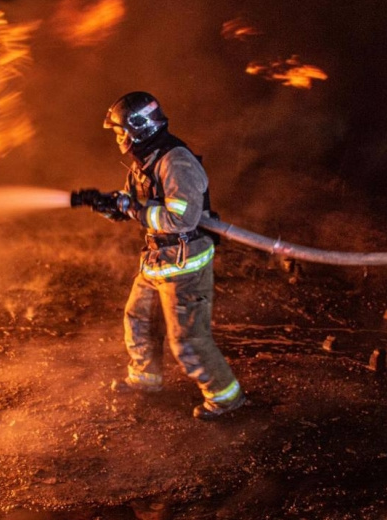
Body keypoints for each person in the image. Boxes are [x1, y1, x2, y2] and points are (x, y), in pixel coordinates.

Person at [89, 91, 245, 420]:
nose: (118, 139)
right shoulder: (145, 161)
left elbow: (181, 219)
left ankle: (225, 397)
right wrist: (111, 206)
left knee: (188, 339)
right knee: (139, 320)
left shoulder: (176, 162)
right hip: (157, 261)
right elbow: (137, 204)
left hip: (185, 264)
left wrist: (134, 210)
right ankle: (145, 379)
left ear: (138, 129)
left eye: (120, 132)